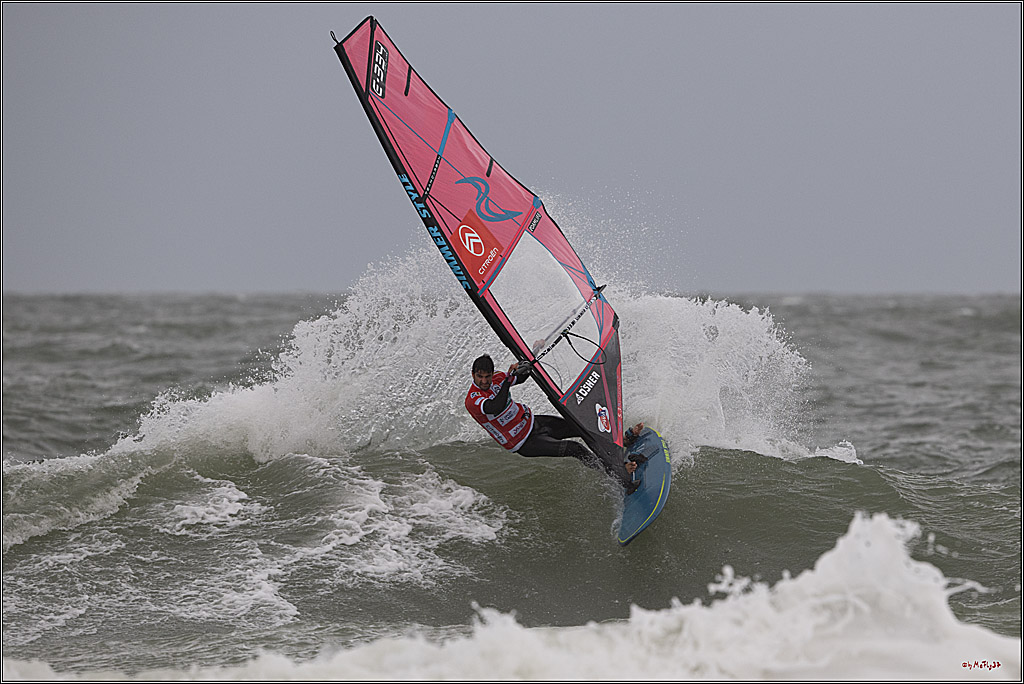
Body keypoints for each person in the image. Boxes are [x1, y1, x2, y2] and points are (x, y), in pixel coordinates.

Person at [465, 354, 645, 492]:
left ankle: (622, 441)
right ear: (473, 374)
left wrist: (525, 364)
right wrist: (506, 380)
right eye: (480, 377)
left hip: (533, 422)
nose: (484, 381)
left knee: (581, 426)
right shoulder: (473, 399)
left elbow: (520, 377)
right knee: (575, 448)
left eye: (487, 376)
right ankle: (616, 475)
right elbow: (495, 407)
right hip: (523, 442)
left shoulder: (498, 378)